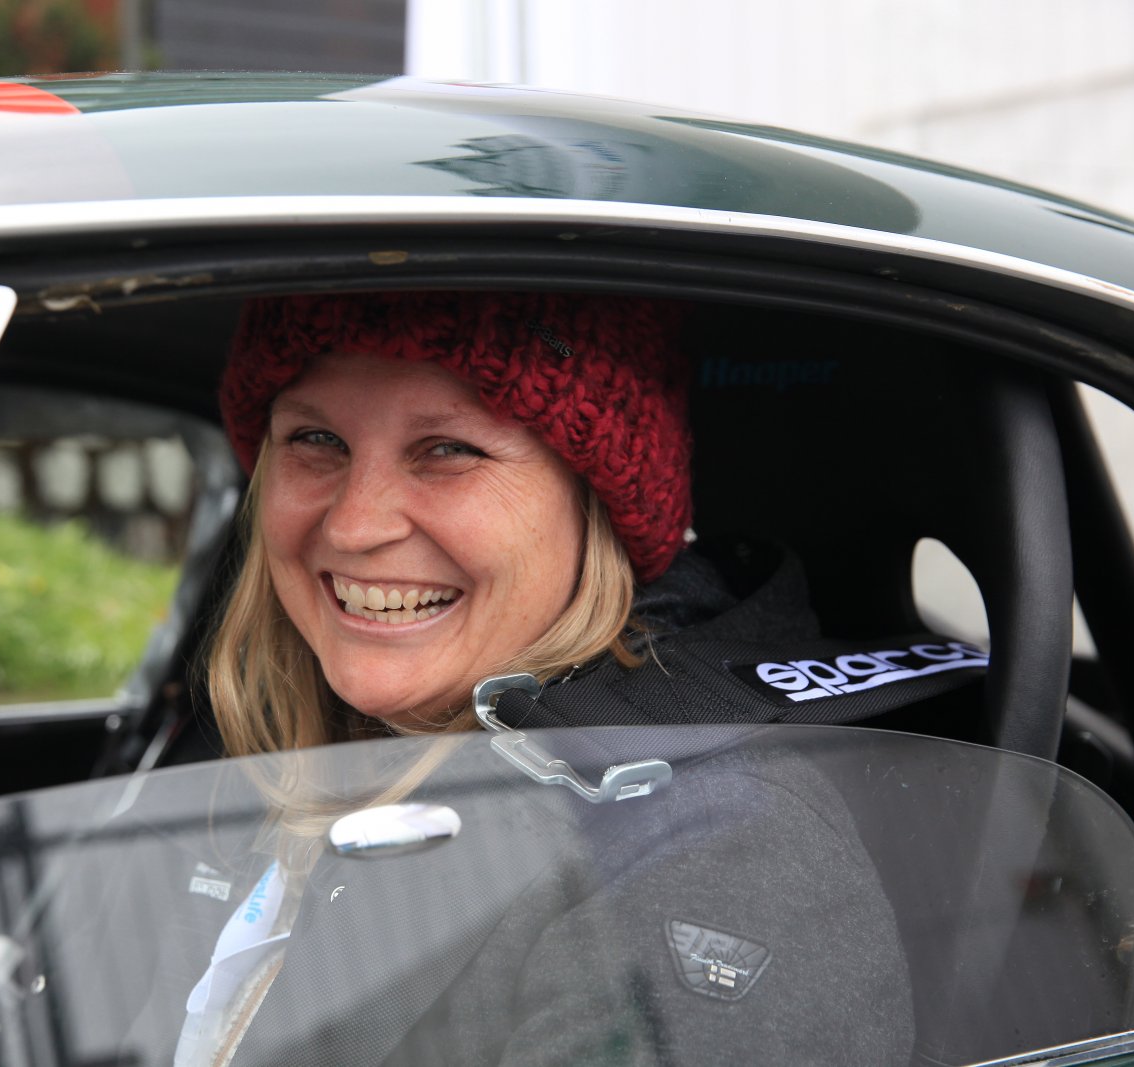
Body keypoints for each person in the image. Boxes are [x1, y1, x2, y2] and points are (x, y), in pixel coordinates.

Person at [169, 290, 926, 1066]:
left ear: (596, 506)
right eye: (316, 438)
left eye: (449, 449)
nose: (355, 523)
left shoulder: (711, 851)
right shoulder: (254, 760)